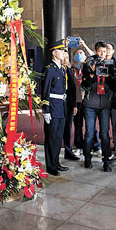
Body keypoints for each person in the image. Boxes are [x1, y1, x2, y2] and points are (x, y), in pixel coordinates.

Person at [81, 41, 115, 171]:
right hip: (90, 104)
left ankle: (106, 160)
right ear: (95, 51)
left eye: (104, 52)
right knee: (89, 133)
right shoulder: (88, 64)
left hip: (105, 104)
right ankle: (87, 158)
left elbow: (114, 85)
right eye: (100, 51)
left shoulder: (110, 65)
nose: (102, 54)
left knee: (105, 134)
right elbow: (85, 85)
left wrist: (109, 76)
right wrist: (92, 74)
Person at [41, 40, 70, 176]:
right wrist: (46, 110)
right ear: (54, 53)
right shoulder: (49, 69)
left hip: (61, 107)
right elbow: (45, 91)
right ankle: (50, 166)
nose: (63, 53)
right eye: (61, 50)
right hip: (52, 107)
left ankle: (56, 162)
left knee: (58, 137)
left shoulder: (62, 69)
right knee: (51, 137)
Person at [62, 50, 79, 161]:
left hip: (69, 103)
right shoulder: (55, 70)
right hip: (58, 103)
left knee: (68, 128)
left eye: (67, 57)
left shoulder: (70, 70)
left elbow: (73, 88)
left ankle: (68, 151)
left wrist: (74, 105)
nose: (65, 59)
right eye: (63, 57)